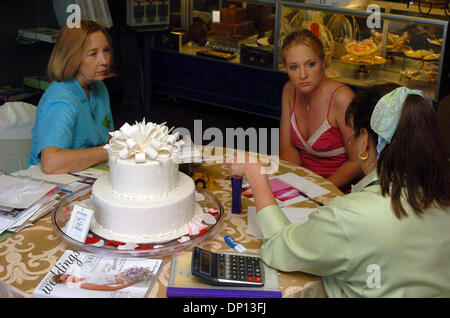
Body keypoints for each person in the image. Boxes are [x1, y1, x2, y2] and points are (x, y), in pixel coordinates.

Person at [230, 84, 450, 297]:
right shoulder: (441, 195)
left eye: (351, 136)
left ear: (364, 141)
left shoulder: (353, 215)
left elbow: (280, 248)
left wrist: (255, 173)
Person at [28, 20, 114, 174]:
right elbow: (51, 163)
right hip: (52, 182)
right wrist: (112, 150)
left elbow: (110, 137)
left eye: (106, 50)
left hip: (87, 172)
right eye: (93, 54)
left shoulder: (99, 87)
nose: (104, 61)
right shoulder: (61, 98)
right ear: (72, 57)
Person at [279, 30, 360, 191]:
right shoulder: (289, 90)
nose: (303, 75)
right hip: (303, 185)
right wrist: (295, 185)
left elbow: (357, 161)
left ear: (323, 62)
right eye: (294, 67)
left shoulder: (342, 98)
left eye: (310, 64)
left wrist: (317, 190)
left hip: (340, 189)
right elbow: (287, 147)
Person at [52, 266, 152, 292]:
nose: (69, 277)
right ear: (66, 282)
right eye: (66, 279)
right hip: (128, 280)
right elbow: (112, 288)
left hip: (126, 275)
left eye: (67, 275)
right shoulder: (84, 284)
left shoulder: (84, 275)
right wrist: (132, 282)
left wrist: (126, 272)